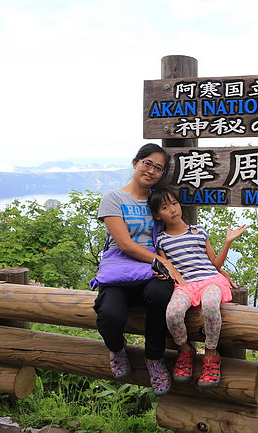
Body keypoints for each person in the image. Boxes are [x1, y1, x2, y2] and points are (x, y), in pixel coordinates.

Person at [93, 143, 183, 396]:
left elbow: (179, 230)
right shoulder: (114, 198)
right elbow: (124, 243)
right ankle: (117, 349)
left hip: (153, 273)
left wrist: (212, 266)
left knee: (160, 296)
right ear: (135, 163)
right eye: (147, 163)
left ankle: (154, 359)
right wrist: (161, 262)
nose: (152, 170)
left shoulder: (160, 200)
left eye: (159, 168)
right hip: (121, 271)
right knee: (109, 316)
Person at [148, 187, 247, 388]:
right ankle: (185, 350)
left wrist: (227, 243)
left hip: (210, 280)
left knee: (211, 305)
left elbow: (215, 265)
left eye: (174, 204)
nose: (173, 210)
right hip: (185, 285)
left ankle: (211, 353)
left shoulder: (198, 231)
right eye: (165, 207)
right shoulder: (162, 240)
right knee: (172, 313)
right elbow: (168, 269)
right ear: (158, 215)